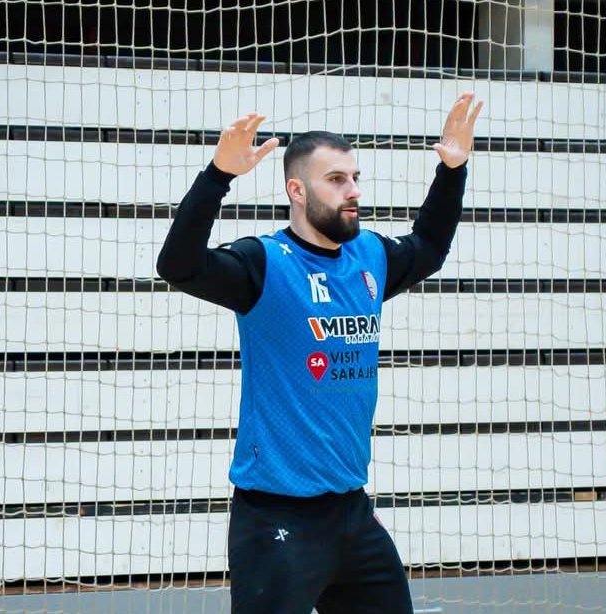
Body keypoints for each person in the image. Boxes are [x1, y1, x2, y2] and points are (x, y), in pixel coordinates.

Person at [156, 92, 483, 614]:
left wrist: (452, 170)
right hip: (277, 520)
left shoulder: (368, 256)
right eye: (336, 180)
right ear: (297, 190)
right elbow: (177, 265)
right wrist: (218, 176)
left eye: (355, 177)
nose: (353, 191)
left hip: (352, 514)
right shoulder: (265, 263)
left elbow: (429, 247)